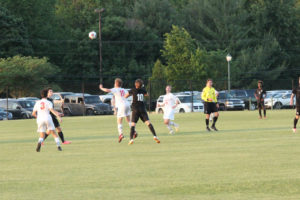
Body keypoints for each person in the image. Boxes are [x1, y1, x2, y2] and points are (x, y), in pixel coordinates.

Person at [125, 79, 160, 145]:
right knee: (148, 123)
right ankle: (155, 136)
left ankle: (131, 139)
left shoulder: (132, 90)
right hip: (142, 109)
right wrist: (142, 88)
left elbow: (125, 96)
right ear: (141, 85)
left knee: (133, 125)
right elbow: (147, 95)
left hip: (135, 109)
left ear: (135, 84)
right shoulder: (143, 90)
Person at [99, 78, 132, 143]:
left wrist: (101, 88)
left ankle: (120, 134)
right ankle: (134, 131)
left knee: (119, 121)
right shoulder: (123, 89)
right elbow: (129, 94)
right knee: (128, 119)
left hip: (122, 106)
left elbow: (107, 90)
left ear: (116, 84)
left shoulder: (115, 89)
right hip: (127, 104)